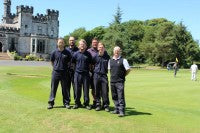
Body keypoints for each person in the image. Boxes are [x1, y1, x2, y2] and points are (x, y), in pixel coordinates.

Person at [48, 38, 71, 109]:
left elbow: (69, 62)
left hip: (64, 73)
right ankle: (51, 103)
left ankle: (66, 103)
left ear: (64, 44)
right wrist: (55, 67)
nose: (61, 44)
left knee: (65, 89)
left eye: (62, 42)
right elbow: (52, 61)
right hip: (55, 73)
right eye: (59, 42)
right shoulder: (54, 52)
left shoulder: (67, 53)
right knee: (53, 88)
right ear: (57, 43)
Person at [109, 46, 131, 117]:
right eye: (115, 50)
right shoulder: (110, 60)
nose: (116, 52)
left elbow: (128, 70)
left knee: (120, 96)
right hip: (112, 81)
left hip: (120, 81)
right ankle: (116, 109)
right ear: (113, 51)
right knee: (114, 96)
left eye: (118, 50)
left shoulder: (123, 60)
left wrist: (123, 76)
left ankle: (122, 111)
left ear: (120, 51)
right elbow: (110, 70)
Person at [72, 39, 92, 110]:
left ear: (86, 46)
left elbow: (90, 64)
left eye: (83, 45)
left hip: (86, 74)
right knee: (77, 89)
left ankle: (86, 103)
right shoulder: (75, 54)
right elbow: (73, 63)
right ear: (78, 46)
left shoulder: (88, 54)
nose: (82, 46)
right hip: (77, 74)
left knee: (86, 90)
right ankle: (77, 103)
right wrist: (76, 71)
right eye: (81, 44)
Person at [93, 42, 110, 112]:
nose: (101, 48)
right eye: (100, 47)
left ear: (104, 48)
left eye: (102, 47)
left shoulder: (107, 57)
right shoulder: (95, 56)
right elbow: (91, 65)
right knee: (97, 91)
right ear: (97, 48)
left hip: (104, 75)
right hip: (96, 75)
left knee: (105, 91)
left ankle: (105, 105)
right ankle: (98, 105)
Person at [66, 36, 79, 101]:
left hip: (75, 71)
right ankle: (67, 101)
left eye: (73, 40)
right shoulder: (66, 50)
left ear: (75, 41)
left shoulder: (78, 50)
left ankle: (76, 101)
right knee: (67, 87)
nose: (72, 41)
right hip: (67, 71)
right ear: (69, 41)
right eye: (70, 40)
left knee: (75, 87)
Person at [87, 38, 99, 108]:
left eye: (96, 42)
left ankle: (98, 102)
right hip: (90, 73)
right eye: (93, 42)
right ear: (92, 43)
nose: (95, 43)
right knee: (92, 88)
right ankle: (94, 101)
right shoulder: (88, 51)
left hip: (98, 73)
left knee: (97, 88)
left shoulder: (100, 50)